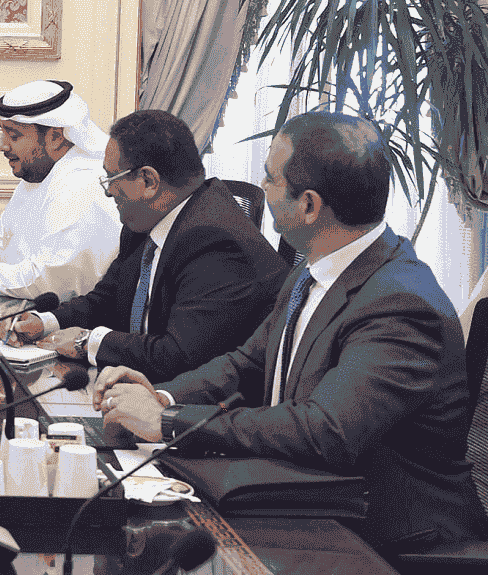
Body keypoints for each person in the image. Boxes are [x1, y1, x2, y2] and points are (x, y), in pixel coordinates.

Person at [94, 111, 487, 553]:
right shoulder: (314, 266)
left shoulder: (400, 303)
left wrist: (170, 423)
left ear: (309, 205)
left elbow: (325, 430)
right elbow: (246, 363)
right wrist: (162, 397)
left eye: (271, 177)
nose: (261, 187)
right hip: (305, 496)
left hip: (387, 533)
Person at [3, 109, 285, 381]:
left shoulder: (215, 243)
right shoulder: (144, 221)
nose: (108, 191)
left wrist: (86, 342)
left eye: (112, 178)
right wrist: (46, 322)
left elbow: (178, 356)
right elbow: (106, 299)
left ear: (149, 180)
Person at [0, 80, 122, 316]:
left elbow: (53, 280)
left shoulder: (83, 183)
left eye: (13, 135)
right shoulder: (39, 174)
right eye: (2, 132)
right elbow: (4, 240)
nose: (1, 145)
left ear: (55, 136)